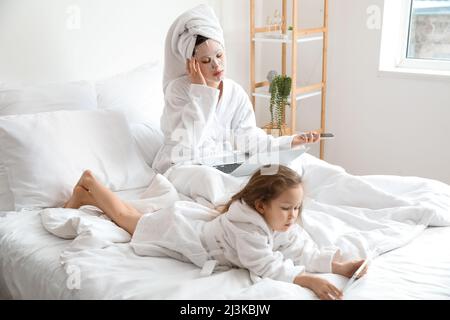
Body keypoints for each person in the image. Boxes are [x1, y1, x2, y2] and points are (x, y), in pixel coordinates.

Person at [64, 166, 368, 300]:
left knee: (129, 215)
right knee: (124, 218)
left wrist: (337, 266)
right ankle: (90, 182)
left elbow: (300, 248)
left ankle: (87, 193)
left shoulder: (277, 221)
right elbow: (265, 265)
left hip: (194, 223)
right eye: (287, 208)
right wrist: (309, 279)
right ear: (261, 205)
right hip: (180, 233)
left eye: (298, 208)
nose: (294, 216)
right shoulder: (246, 228)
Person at [152, 4, 320, 174]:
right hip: (183, 163)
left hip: (222, 163)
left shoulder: (235, 92)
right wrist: (201, 93)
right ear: (192, 64)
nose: (216, 64)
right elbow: (185, 144)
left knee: (281, 171)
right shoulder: (178, 91)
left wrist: (289, 141)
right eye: (205, 60)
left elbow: (249, 139)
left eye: (219, 55)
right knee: (209, 180)